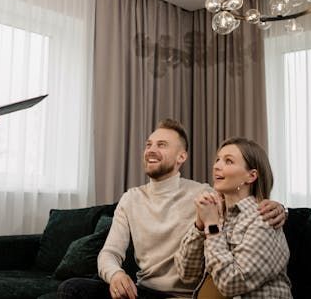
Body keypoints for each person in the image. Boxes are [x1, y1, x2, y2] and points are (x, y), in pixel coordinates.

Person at [58, 120, 286, 299]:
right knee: (73, 289)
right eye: (148, 144)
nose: (151, 150)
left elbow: (246, 208)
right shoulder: (132, 198)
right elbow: (109, 253)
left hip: (184, 294)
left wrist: (279, 208)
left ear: (182, 157)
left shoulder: (205, 195)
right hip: (143, 290)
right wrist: (116, 274)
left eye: (161, 145)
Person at [174, 137, 292, 298]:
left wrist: (211, 226)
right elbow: (186, 273)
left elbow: (231, 283)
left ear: (251, 176)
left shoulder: (264, 219)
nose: (216, 166)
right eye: (218, 160)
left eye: (228, 161)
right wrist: (200, 226)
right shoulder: (217, 214)